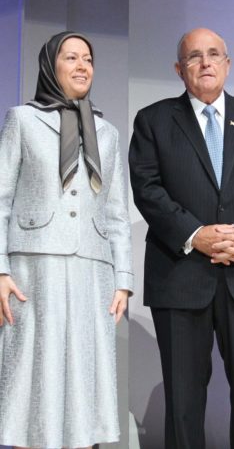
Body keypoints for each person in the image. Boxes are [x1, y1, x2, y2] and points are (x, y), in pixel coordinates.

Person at [128, 27, 234, 449]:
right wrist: (195, 234)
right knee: (183, 399)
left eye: (214, 54)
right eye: (195, 56)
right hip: (180, 276)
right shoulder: (153, 120)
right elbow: (148, 189)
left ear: (228, 64)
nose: (205, 63)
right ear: (179, 68)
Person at [0, 31, 133, 449]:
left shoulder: (107, 132)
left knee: (84, 370)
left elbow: (116, 210)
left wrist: (123, 278)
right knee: (31, 370)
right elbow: (0, 197)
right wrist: (0, 269)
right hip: (32, 265)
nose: (81, 66)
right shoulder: (22, 119)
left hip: (92, 267)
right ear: (50, 66)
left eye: (88, 59)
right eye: (71, 57)